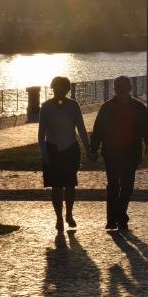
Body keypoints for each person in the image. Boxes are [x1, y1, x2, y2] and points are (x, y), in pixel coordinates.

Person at [89, 76, 148, 231]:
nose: (121, 89)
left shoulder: (138, 108)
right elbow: (98, 130)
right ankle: (113, 219)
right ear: (114, 89)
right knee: (113, 185)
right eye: (118, 86)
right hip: (111, 152)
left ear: (130, 88)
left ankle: (120, 215)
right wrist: (93, 149)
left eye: (123, 86)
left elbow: (147, 128)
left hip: (131, 151)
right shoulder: (106, 108)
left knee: (127, 186)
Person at [38, 76, 91, 232]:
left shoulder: (73, 106)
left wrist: (88, 149)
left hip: (70, 149)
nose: (59, 91)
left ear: (67, 90)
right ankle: (59, 218)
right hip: (52, 149)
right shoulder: (46, 107)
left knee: (70, 184)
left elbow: (81, 129)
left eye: (63, 88)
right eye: (56, 88)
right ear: (52, 88)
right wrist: (44, 153)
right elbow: (41, 134)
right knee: (56, 187)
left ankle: (69, 213)